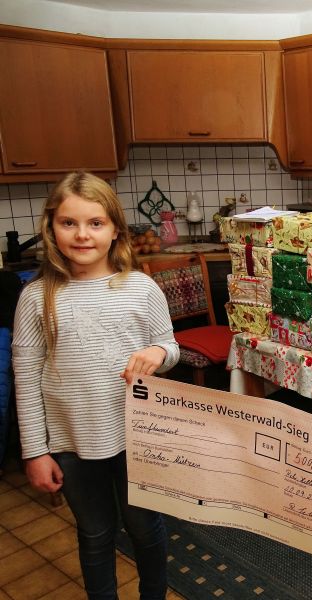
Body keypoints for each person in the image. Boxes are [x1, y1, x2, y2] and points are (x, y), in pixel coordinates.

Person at [12, 171, 180, 599]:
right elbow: (27, 375)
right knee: (95, 533)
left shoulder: (141, 288)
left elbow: (169, 344)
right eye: (69, 223)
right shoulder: (36, 297)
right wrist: (34, 450)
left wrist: (159, 354)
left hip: (137, 434)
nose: (82, 235)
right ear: (51, 228)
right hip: (70, 441)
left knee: (145, 527)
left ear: (115, 231)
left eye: (95, 223)